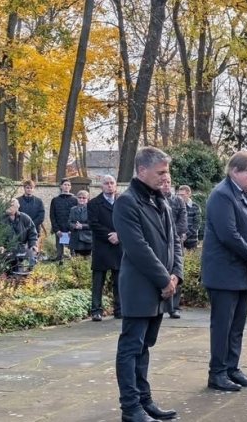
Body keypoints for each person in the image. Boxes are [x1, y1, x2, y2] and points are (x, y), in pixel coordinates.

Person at [112, 146, 182, 422]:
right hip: (140, 287)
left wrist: (175, 274)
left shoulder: (159, 200)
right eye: (161, 172)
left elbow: (174, 240)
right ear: (142, 171)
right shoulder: (127, 202)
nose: (166, 177)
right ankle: (130, 408)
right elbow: (137, 247)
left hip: (161, 287)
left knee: (144, 347)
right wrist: (165, 278)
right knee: (131, 347)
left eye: (167, 171)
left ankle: (145, 401)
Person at [201, 151, 247, 392]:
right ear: (234, 171)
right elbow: (229, 235)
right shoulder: (221, 195)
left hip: (243, 272)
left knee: (237, 325)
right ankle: (217, 372)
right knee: (222, 326)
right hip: (223, 273)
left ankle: (232, 368)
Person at [87, 175, 121, 322]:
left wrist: (119, 235)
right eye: (106, 183)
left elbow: (129, 221)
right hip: (102, 245)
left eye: (112, 183)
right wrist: (110, 235)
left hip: (119, 245)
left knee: (119, 280)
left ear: (116, 185)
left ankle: (119, 309)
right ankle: (96, 310)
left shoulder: (122, 202)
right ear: (101, 186)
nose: (109, 186)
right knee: (98, 280)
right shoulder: (94, 203)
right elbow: (93, 224)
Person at [160, 177, 187, 319]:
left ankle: (174, 307)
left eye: (169, 182)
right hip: (160, 241)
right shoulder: (155, 200)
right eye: (164, 182)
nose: (166, 185)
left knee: (177, 271)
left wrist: (172, 234)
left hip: (175, 240)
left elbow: (183, 221)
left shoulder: (178, 201)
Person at [0, 198, 38, 274]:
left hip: (22, 247)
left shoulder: (25, 218)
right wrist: (0, 245)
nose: (8, 207)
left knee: (31, 261)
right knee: (7, 270)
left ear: (17, 207)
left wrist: (33, 245)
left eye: (11, 206)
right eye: (7, 205)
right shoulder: (0, 219)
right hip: (7, 248)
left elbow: (32, 233)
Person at [17, 179, 45, 264]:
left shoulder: (39, 201)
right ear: (24, 188)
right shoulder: (18, 200)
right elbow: (16, 214)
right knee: (21, 251)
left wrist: (31, 225)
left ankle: (32, 268)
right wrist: (23, 225)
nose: (29, 189)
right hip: (21, 230)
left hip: (35, 230)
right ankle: (19, 266)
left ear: (34, 189)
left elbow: (41, 216)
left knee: (33, 249)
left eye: (31, 188)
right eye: (27, 187)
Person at [50, 178, 78, 261]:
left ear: (70, 187)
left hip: (71, 230)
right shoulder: (55, 200)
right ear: (61, 186)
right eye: (65, 184)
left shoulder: (75, 199)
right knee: (59, 255)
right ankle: (59, 267)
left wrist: (72, 229)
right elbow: (52, 215)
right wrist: (56, 230)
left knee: (73, 254)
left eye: (68, 185)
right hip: (59, 229)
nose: (67, 186)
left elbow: (77, 215)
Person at [68, 190, 93, 257]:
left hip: (87, 239)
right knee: (75, 262)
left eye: (84, 198)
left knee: (86, 261)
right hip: (75, 239)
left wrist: (82, 226)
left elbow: (93, 224)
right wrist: (74, 226)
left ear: (88, 199)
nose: (81, 199)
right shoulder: (73, 209)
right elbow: (69, 222)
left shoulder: (91, 209)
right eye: (79, 197)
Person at [177, 185, 201, 250]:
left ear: (188, 194)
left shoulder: (195, 207)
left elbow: (197, 224)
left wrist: (186, 235)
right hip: (179, 241)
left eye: (182, 195)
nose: (180, 197)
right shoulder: (177, 206)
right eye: (179, 195)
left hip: (192, 241)